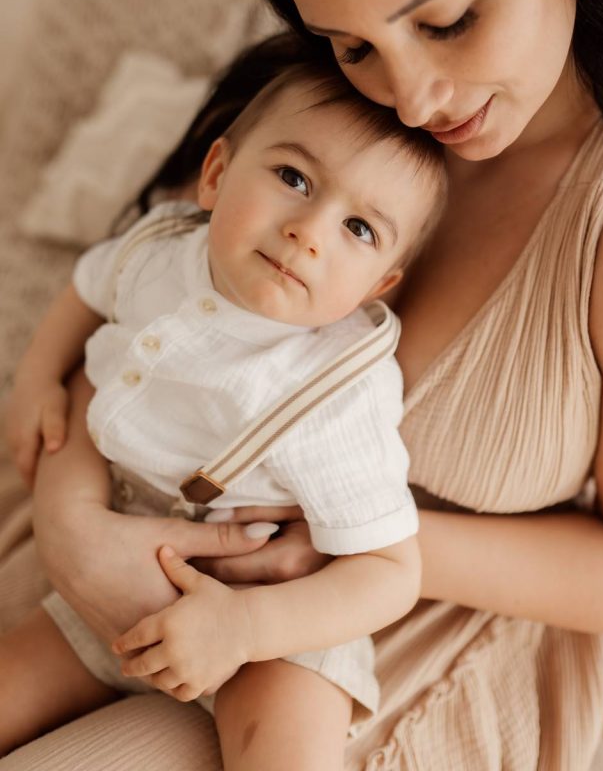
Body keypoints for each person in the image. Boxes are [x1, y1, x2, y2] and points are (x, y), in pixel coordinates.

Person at [1, 0, 603, 769]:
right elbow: (151, 319)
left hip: (376, 644)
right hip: (115, 527)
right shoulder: (316, 111)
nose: (411, 98)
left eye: (449, 20)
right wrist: (72, 522)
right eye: (351, 43)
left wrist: (355, 546)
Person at [1, 37, 447, 767]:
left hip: (272, 626)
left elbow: (391, 573)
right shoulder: (160, 251)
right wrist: (37, 376)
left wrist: (246, 627)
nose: (308, 232)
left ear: (376, 287)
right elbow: (87, 288)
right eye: (294, 178)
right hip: (123, 569)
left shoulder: (337, 387)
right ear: (215, 174)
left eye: (358, 229)